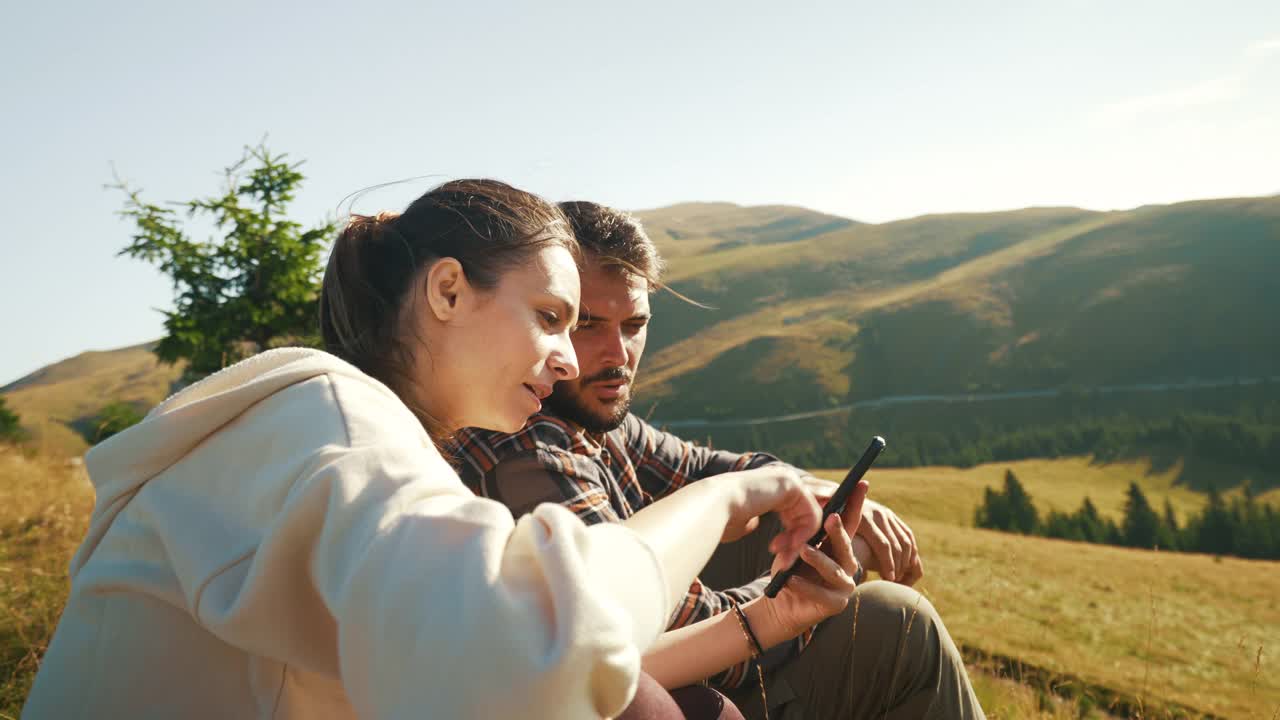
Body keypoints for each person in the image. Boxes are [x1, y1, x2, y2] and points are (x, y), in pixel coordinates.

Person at [24, 181, 836, 720]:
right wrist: (728, 500)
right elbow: (532, 648)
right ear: (448, 291)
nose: (567, 358)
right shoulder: (335, 426)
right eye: (552, 317)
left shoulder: (353, 432)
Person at [451, 201, 987, 720]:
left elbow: (711, 466)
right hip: (653, 687)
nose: (618, 356)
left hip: (642, 665)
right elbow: (657, 633)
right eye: (587, 325)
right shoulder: (528, 445)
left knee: (782, 518)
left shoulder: (583, 410)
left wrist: (819, 494)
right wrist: (803, 584)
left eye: (634, 325)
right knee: (899, 624)